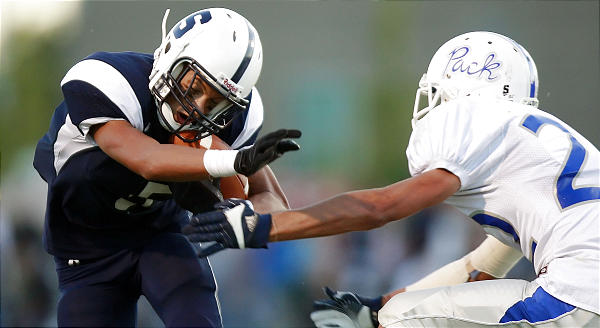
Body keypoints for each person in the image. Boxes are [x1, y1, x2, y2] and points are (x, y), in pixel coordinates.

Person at [184, 31, 600, 327]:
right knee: (399, 315)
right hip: (584, 291)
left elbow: (384, 207)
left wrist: (266, 226)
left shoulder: (473, 119)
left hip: (578, 295)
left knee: (404, 322)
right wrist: (379, 306)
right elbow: (480, 269)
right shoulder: (537, 149)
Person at [33, 7, 300, 327]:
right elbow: (147, 160)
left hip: (161, 237)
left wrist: (248, 219)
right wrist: (231, 161)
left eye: (215, 102)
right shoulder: (112, 82)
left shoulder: (231, 124)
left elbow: (273, 203)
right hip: (88, 251)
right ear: (172, 56)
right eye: (195, 87)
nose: (198, 108)